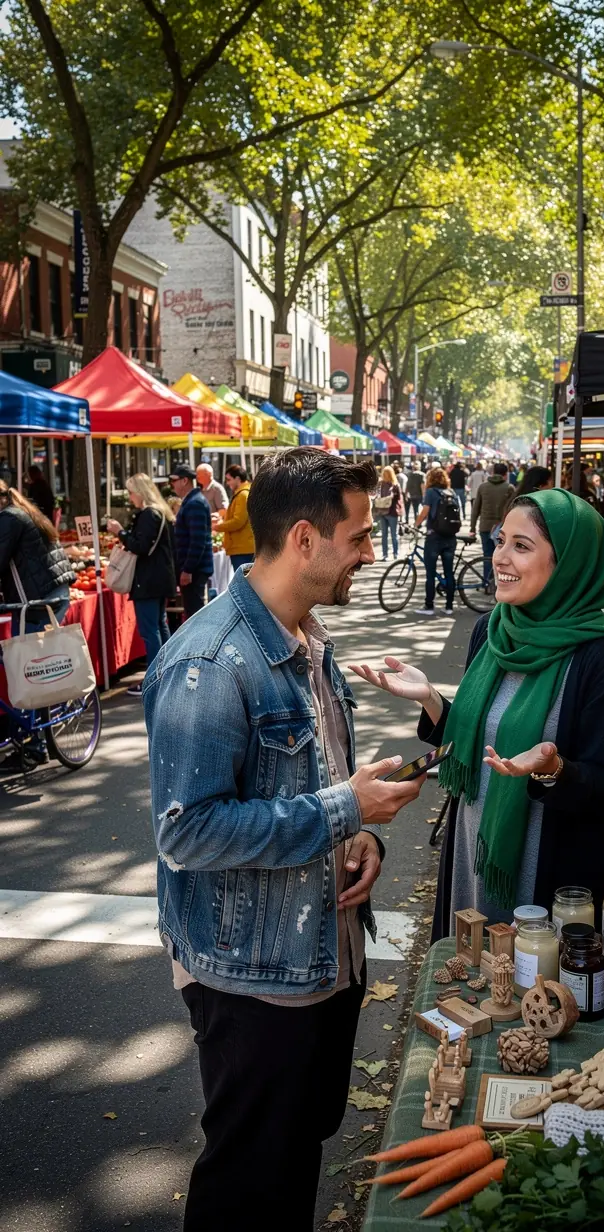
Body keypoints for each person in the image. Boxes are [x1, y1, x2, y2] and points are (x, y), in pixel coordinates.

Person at [142, 447, 424, 1232]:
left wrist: (357, 838)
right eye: (360, 537)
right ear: (304, 538)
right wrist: (344, 810)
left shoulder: (305, 635)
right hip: (253, 978)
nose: (372, 552)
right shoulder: (208, 660)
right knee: (249, 1179)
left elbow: (309, 786)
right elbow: (187, 832)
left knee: (294, 1155)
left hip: (320, 955)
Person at [350, 489, 604, 936]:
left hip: (548, 872)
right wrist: (430, 699)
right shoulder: (492, 630)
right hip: (473, 851)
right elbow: (476, 740)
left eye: (521, 547)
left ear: (567, 563)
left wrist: (552, 770)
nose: (499, 557)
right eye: (500, 540)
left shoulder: (603, 656)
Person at [106, 474, 176, 698]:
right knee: (159, 625)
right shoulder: (161, 513)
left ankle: (156, 677)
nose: (129, 497)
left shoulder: (149, 514)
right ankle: (169, 671)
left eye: (131, 492)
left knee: (150, 630)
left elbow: (141, 546)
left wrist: (120, 532)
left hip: (148, 579)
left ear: (140, 492)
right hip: (159, 577)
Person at [0, 481, 74, 633]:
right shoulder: (19, 511)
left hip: (38, 601)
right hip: (50, 593)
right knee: (44, 652)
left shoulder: (9, 518)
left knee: (28, 653)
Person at [168, 463, 213, 619]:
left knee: (196, 615)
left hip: (194, 571)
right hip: (193, 569)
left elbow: (198, 541)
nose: (171, 485)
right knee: (194, 613)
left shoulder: (195, 503)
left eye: (173, 480)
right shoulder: (192, 501)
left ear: (184, 481)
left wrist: (187, 570)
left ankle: (202, 644)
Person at [415, 465, 460, 616]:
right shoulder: (451, 492)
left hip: (434, 537)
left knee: (430, 573)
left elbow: (425, 511)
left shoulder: (430, 492)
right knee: (449, 572)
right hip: (450, 537)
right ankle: (449, 606)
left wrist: (416, 525)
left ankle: (429, 606)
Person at [471, 462, 514, 584]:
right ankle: (499, 584)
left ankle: (487, 582)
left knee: (487, 556)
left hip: (485, 526)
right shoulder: (509, 488)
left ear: (493, 472)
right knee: (502, 558)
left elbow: (476, 509)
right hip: (503, 529)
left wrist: (472, 527)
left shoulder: (483, 487)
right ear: (506, 474)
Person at [216, 464, 255, 571]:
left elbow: (238, 521)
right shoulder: (244, 493)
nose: (227, 483)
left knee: (244, 584)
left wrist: (218, 526)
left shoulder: (242, 495)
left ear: (237, 479)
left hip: (243, 549)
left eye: (229, 480)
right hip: (243, 547)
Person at [373, 465, 402, 561]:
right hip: (392, 512)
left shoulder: (380, 484)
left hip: (383, 511)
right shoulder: (395, 485)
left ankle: (385, 555)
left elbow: (375, 496)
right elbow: (399, 500)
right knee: (393, 534)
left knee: (385, 535)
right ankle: (395, 554)